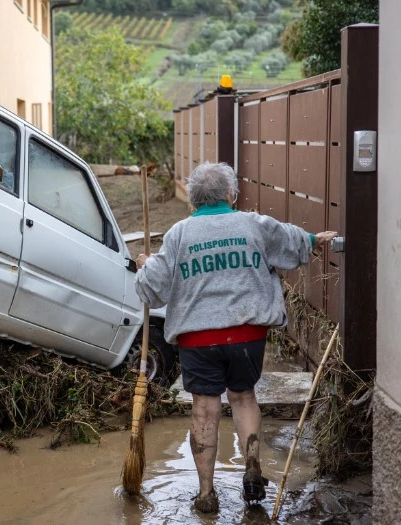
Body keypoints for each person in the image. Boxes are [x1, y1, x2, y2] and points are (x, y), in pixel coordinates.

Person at [134, 161, 336, 514]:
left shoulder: (178, 235)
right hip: (247, 335)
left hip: (198, 340)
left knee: (204, 408)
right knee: (243, 397)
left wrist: (144, 267)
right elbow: (292, 241)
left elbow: (152, 291)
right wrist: (313, 240)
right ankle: (252, 466)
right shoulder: (252, 224)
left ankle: (206, 494)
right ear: (231, 194)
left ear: (194, 200)